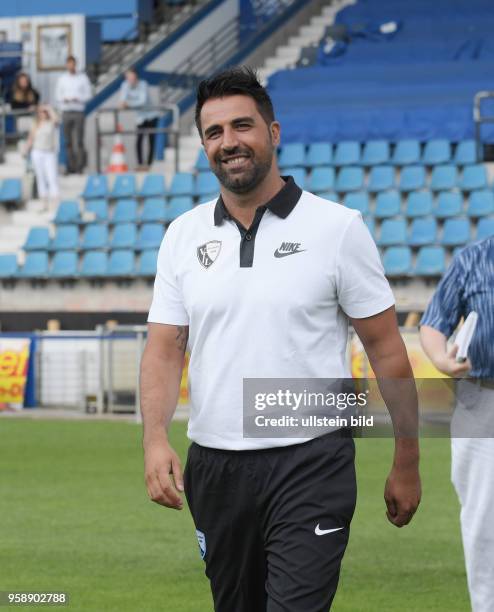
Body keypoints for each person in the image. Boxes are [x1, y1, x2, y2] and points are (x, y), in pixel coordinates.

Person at [140, 66, 421, 612]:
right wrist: (154, 439)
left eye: (242, 126)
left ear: (273, 132)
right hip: (215, 467)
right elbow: (165, 346)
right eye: (214, 133)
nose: (229, 142)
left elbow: (386, 348)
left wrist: (406, 459)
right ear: (203, 145)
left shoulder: (337, 228)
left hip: (311, 462)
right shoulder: (183, 235)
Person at [419, 238, 494, 612]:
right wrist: (441, 360)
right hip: (483, 399)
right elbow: (434, 325)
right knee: (485, 525)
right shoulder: (473, 258)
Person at [55, 55, 91, 174]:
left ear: (75, 64)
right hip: (66, 111)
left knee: (79, 140)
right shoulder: (62, 79)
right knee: (67, 141)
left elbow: (88, 95)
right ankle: (71, 166)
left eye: (72, 64)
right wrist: (64, 99)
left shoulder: (83, 78)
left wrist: (78, 98)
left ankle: (80, 167)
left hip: (78, 111)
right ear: (66, 65)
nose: (71, 66)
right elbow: (57, 95)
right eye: (68, 64)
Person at [119, 67, 160, 169]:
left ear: (135, 76)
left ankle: (149, 165)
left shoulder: (143, 84)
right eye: (127, 77)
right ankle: (141, 164)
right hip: (140, 117)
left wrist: (128, 104)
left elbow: (142, 101)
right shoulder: (125, 85)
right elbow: (122, 101)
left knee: (151, 141)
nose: (129, 80)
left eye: (131, 77)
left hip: (151, 116)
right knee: (139, 141)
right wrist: (126, 104)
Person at [25, 104, 59, 210]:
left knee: (51, 176)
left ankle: (55, 201)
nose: (43, 114)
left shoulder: (50, 123)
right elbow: (30, 138)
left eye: (44, 112)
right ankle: (43, 202)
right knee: (40, 177)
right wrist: (26, 149)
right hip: (37, 152)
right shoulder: (35, 124)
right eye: (41, 112)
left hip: (49, 152)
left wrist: (49, 108)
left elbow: (56, 120)